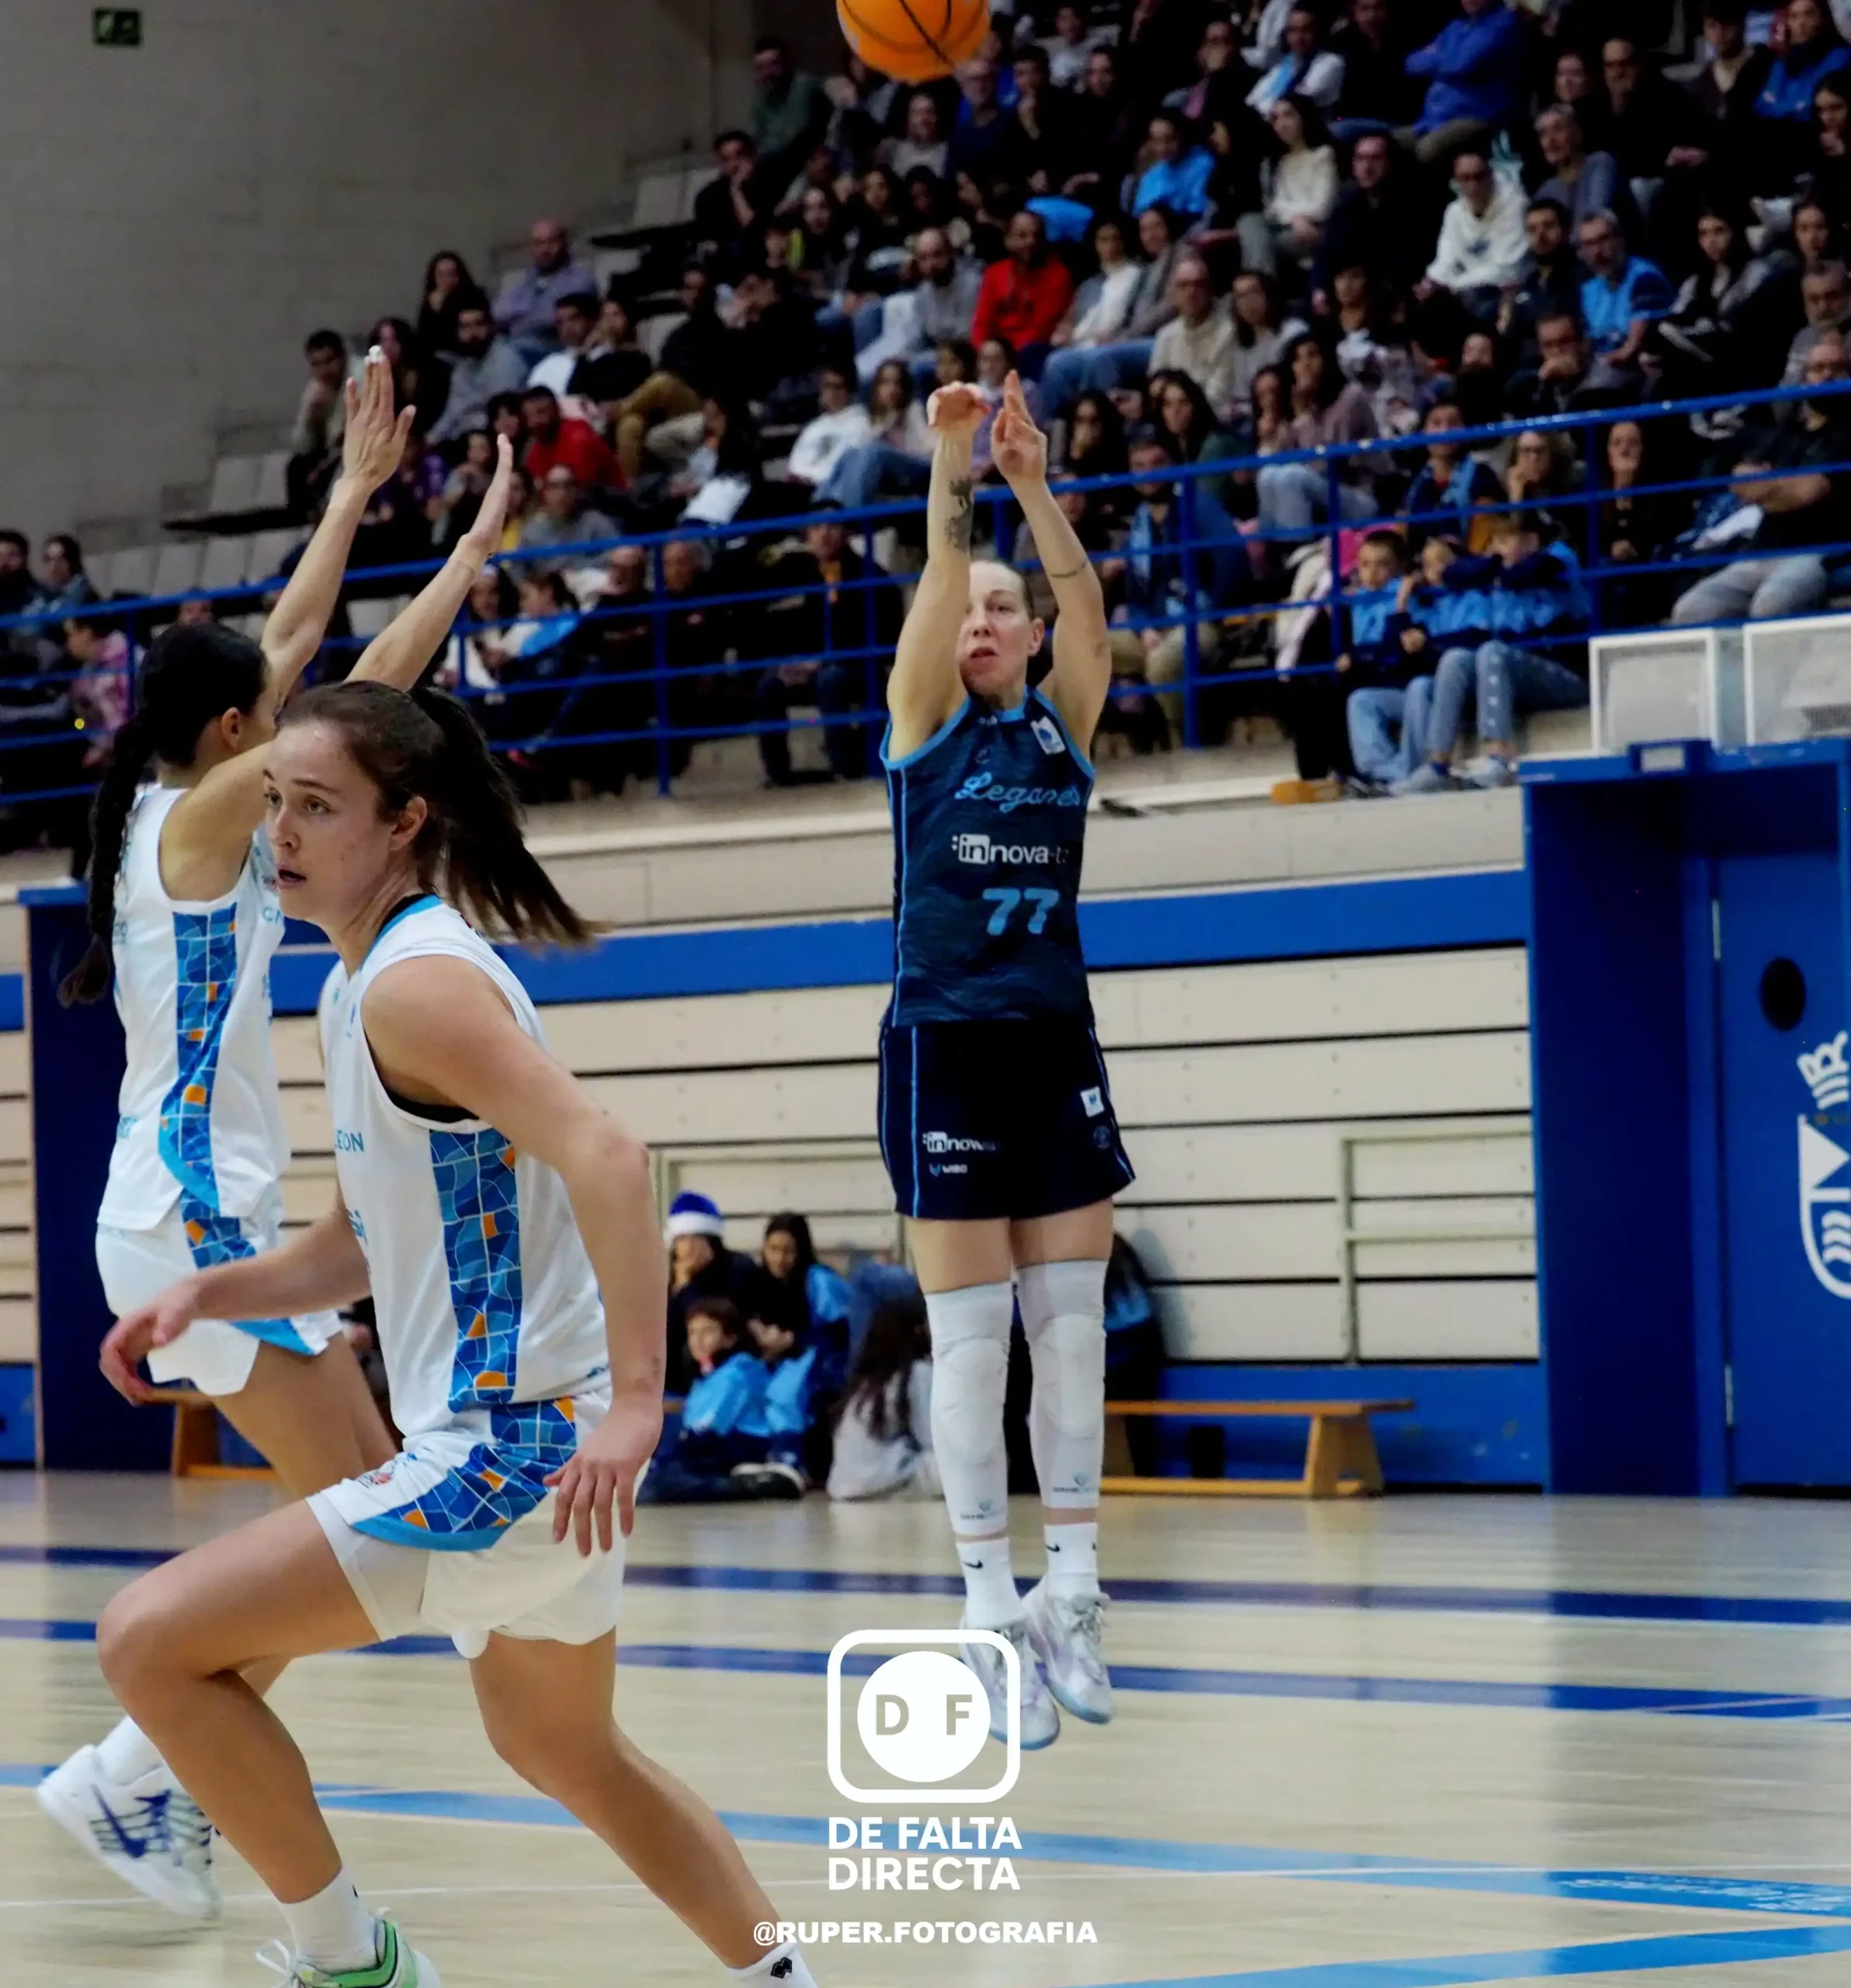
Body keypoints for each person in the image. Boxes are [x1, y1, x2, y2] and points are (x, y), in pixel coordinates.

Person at [91, 674, 824, 1988]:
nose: (281, 833)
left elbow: (609, 1157)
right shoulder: (364, 984)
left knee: (148, 1641)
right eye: (275, 801)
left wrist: (640, 1403)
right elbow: (359, 1242)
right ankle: (783, 1980)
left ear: (405, 822)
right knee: (563, 1750)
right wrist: (210, 1293)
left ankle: (351, 1962)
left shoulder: (412, 988)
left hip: (506, 1448)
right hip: (538, 1452)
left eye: (318, 808)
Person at [36, 360, 517, 1918]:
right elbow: (335, 678)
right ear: (235, 732)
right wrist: (378, 511)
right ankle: (134, 1768)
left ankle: (139, 1766)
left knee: (365, 1521)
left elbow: (335, 672)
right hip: (189, 1219)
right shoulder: (187, 828)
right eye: (271, 722)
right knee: (377, 1523)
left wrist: (413, 531)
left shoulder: (220, 822)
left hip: (188, 1219)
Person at [879, 370, 1129, 1747]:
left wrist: (1032, 485)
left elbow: (1089, 613)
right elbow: (937, 574)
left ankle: (1069, 1593)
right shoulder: (925, 732)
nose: (978, 620)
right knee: (971, 1352)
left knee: (1072, 1335)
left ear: (1028, 635)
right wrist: (954, 470)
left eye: (1000, 607)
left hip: (1054, 1046)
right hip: (945, 1049)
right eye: (965, 608)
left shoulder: (1060, 725)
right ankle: (985, 1613)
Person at [1669, 328, 1851, 623]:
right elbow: (1740, 482)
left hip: (1817, 553)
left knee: (1771, 605)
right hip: (1760, 552)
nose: (1827, 376)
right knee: (1691, 610)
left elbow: (1808, 492)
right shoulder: (1786, 433)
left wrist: (1768, 488)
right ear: (1805, 378)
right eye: (1818, 368)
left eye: (1838, 368)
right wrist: (1781, 490)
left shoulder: (1846, 436)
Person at [827, 1293, 939, 1500]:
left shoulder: (864, 1382)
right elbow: (933, 1441)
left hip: (845, 1484)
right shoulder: (918, 1373)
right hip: (885, 1480)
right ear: (917, 1330)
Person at [1422, 151, 1527, 320]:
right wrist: (1430, 282)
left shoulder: (1515, 205)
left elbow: (1507, 270)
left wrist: (1453, 285)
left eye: (1479, 177)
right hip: (1466, 289)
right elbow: (1446, 261)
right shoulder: (1454, 212)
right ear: (1456, 183)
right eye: (1465, 179)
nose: (1473, 185)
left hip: (1507, 291)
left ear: (1491, 176)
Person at [492, 217, 597, 363]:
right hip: (518, 345)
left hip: (556, 346)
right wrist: (529, 316)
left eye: (551, 242)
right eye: (538, 244)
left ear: (564, 244)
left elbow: (550, 320)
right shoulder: (525, 280)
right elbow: (498, 313)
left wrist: (517, 320)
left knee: (505, 352)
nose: (545, 250)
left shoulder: (580, 279)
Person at [428, 300, 529, 446]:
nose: (473, 333)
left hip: (492, 439)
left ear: (491, 326)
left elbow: (500, 416)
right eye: (465, 327)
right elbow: (451, 414)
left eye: (479, 324)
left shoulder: (506, 360)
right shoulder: (463, 365)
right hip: (462, 438)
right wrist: (429, 441)